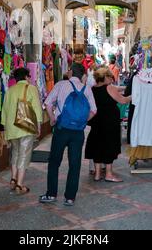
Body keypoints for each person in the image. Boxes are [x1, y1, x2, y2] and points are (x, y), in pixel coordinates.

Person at [39, 63, 97, 207]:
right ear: (82, 75)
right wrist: (82, 122)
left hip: (61, 129)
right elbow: (94, 111)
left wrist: (52, 119)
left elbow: (47, 103)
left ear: (71, 73)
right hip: (78, 132)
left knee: (54, 162)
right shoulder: (87, 89)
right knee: (75, 164)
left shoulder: (61, 85)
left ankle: (51, 194)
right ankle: (70, 197)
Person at [85, 68, 132, 183]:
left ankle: (97, 174)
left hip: (96, 121)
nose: (112, 79)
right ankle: (109, 174)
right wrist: (133, 96)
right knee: (109, 145)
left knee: (97, 145)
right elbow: (123, 100)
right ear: (105, 77)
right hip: (109, 122)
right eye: (110, 77)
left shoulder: (93, 89)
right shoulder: (109, 88)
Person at [1, 68, 42, 194]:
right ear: (26, 77)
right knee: (24, 155)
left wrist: (4, 128)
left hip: (12, 128)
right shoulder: (31, 88)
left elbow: (5, 110)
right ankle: (19, 185)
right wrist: (38, 125)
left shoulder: (10, 91)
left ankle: (13, 179)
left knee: (15, 153)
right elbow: (37, 108)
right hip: (25, 127)